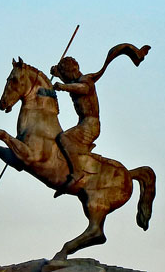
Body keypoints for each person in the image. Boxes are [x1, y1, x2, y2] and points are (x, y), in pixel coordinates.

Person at [49, 43, 150, 195]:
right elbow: (70, 81)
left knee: (63, 139)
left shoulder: (86, 80)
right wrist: (57, 73)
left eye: (67, 73)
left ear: (73, 70)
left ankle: (77, 173)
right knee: (64, 142)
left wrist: (63, 87)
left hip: (91, 125)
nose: (67, 76)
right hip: (83, 123)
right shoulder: (74, 80)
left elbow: (82, 89)